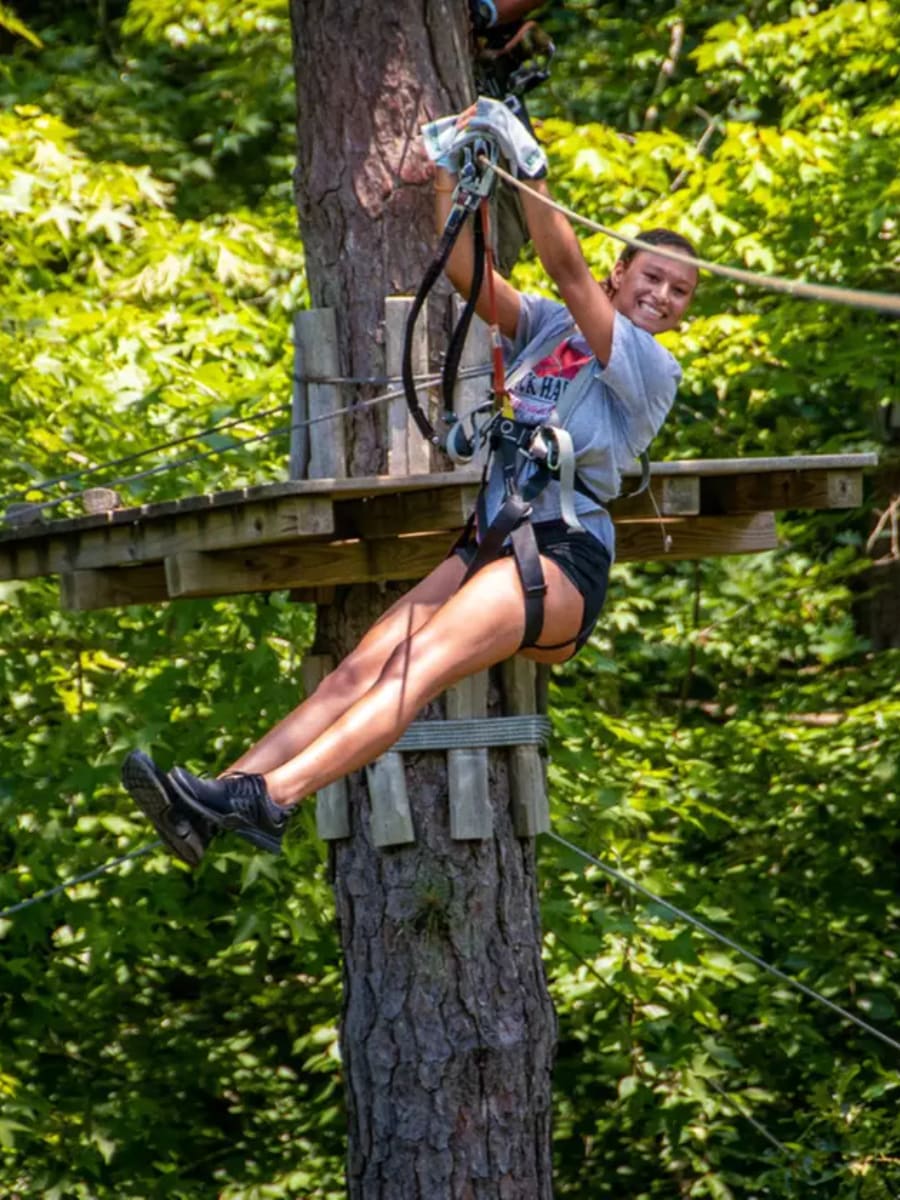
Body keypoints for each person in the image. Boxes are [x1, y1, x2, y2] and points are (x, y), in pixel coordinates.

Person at [121, 98, 698, 867]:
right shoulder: (551, 328)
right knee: (359, 668)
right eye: (652, 276)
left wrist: (528, 161)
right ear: (622, 271)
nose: (662, 296)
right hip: (491, 539)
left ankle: (273, 799)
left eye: (681, 292)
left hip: (561, 555)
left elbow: (568, 269)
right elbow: (465, 272)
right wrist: (450, 175)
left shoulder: (650, 366)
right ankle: (216, 801)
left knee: (410, 670)